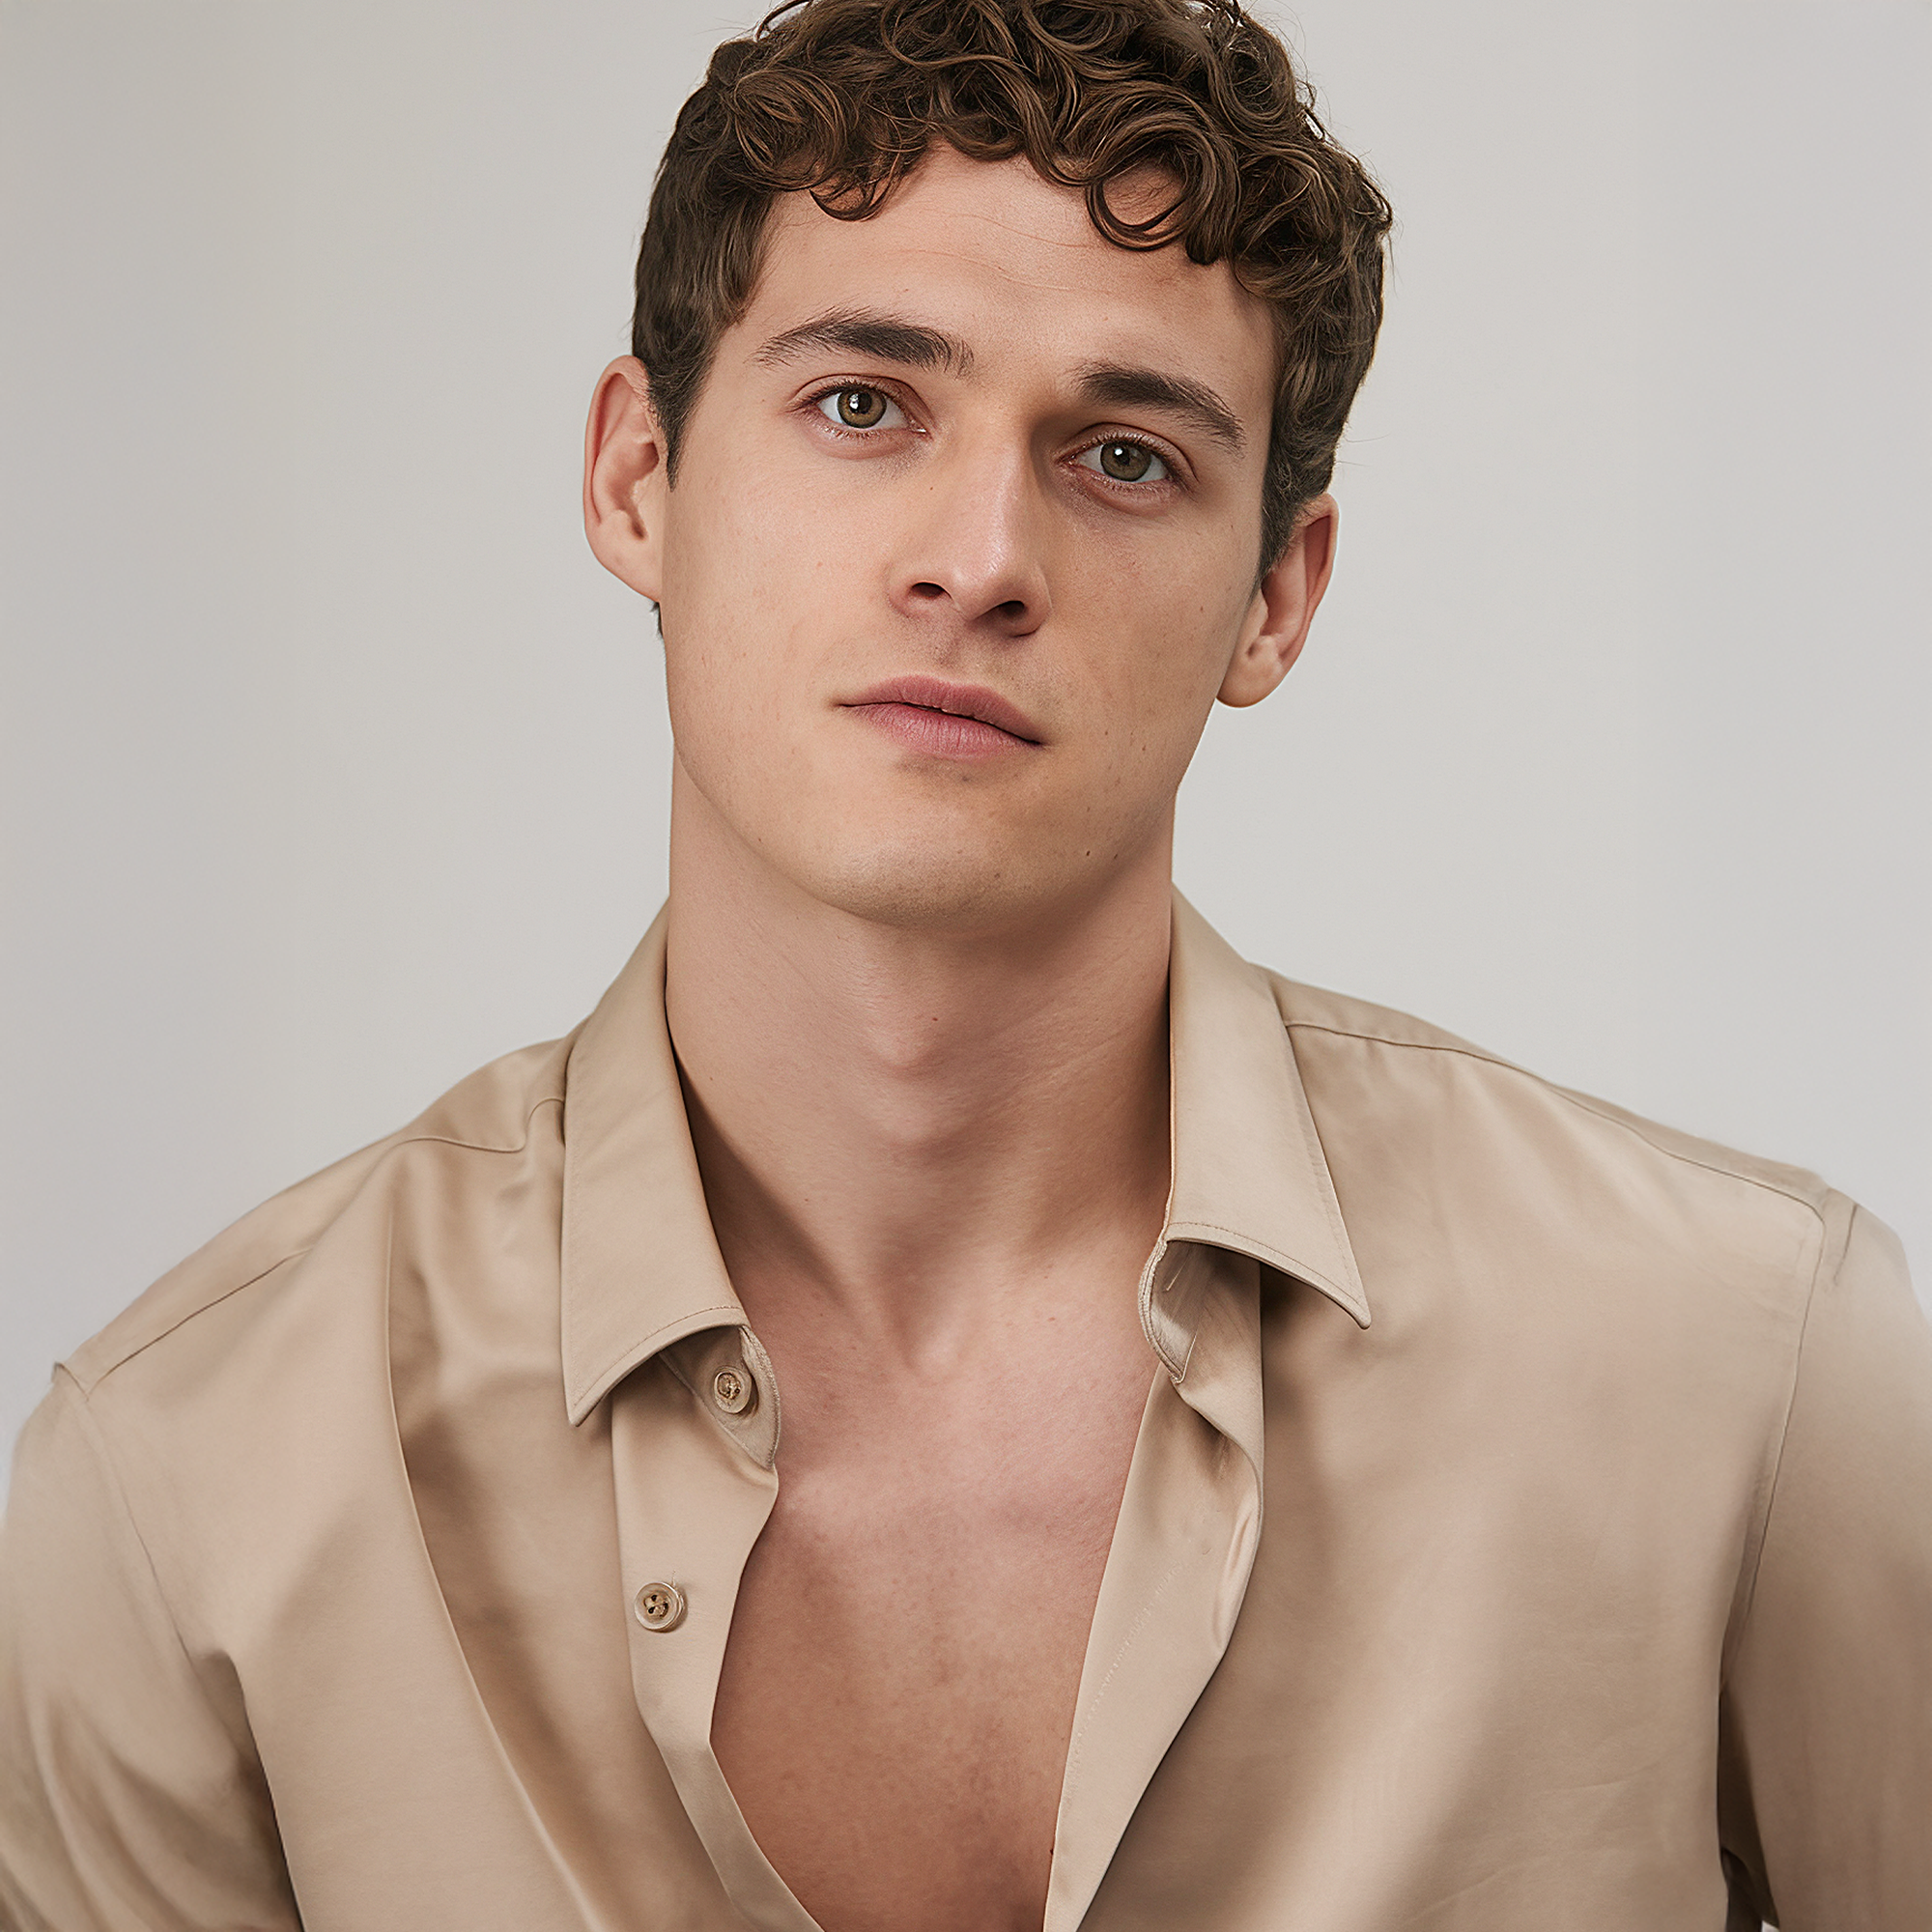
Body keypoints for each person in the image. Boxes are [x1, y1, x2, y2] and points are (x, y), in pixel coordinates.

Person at [1, 0, 1926, 1926]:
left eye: (1123, 455)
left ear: (1275, 596)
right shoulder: (192, 1487)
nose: (980, 555)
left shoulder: (1741, 1372)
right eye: (864, 405)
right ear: (637, 476)